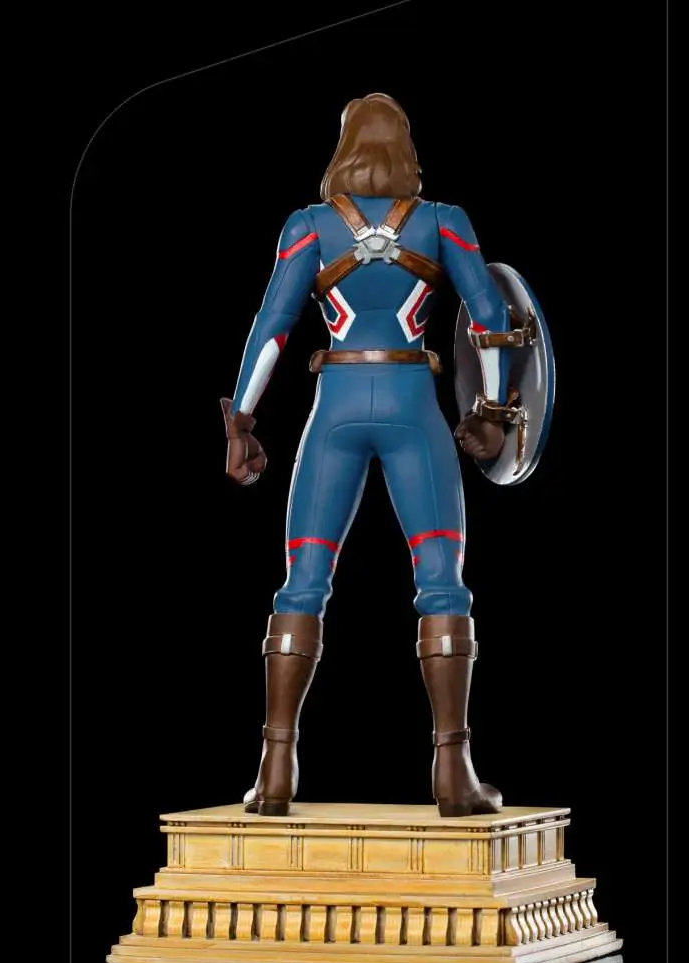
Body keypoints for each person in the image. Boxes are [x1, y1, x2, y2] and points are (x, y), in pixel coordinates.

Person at [221, 93, 521, 818]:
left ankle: (275, 769)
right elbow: (490, 317)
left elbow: (272, 327)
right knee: (442, 582)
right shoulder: (445, 221)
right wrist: (493, 413)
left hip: (336, 409)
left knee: (302, 581)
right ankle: (454, 773)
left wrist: (242, 422)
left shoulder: (308, 226)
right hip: (414, 405)